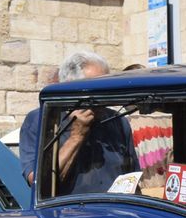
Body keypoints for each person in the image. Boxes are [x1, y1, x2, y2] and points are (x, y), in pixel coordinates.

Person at [19, 51, 115, 187]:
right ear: (72, 87)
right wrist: (76, 137)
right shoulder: (41, 120)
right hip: (67, 208)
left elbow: (131, 175)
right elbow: (39, 183)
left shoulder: (116, 120)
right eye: (96, 89)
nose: (103, 98)